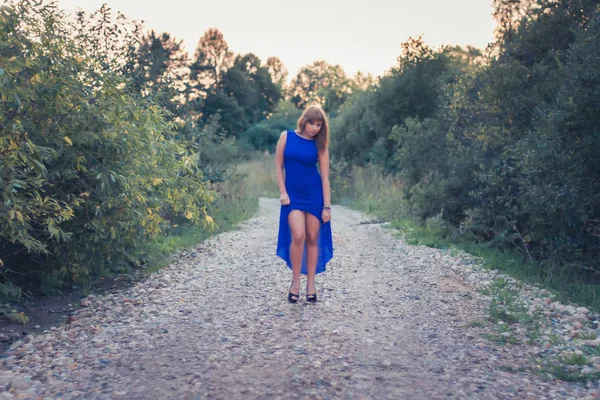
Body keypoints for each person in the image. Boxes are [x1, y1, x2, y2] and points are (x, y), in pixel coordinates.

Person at [275, 105, 334, 304]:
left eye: (318, 125)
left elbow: (325, 178)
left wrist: (326, 206)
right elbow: (278, 166)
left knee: (312, 237)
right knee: (298, 235)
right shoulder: (286, 136)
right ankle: (295, 283)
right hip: (292, 196)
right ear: (304, 121)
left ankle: (310, 283)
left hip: (314, 195)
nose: (314, 128)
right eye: (312, 123)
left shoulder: (320, 145)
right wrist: (282, 191)